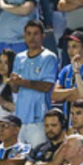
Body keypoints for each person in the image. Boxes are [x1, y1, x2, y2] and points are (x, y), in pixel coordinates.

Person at [11, 20, 59, 149]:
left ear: (43, 36)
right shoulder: (19, 58)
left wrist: (21, 82)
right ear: (24, 36)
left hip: (39, 120)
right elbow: (15, 89)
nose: (32, 37)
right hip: (20, 120)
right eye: (29, 34)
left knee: (37, 158)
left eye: (36, 34)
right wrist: (14, 82)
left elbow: (46, 86)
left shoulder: (49, 57)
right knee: (19, 160)